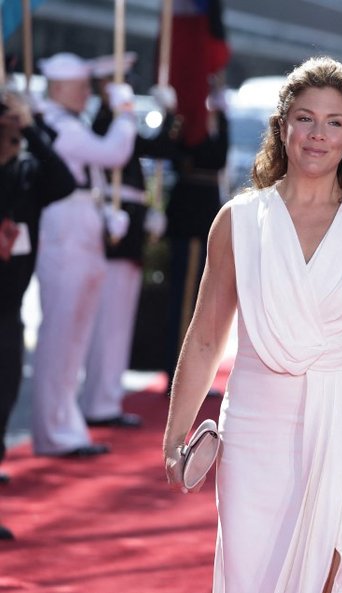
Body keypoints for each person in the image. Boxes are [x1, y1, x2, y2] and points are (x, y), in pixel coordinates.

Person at [161, 56, 342, 592]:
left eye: (334, 122)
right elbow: (207, 336)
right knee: (251, 575)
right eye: (305, 118)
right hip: (255, 422)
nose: (318, 134)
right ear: (282, 125)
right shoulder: (239, 220)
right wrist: (175, 435)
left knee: (328, 570)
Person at [30, 52, 137, 457]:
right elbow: (113, 153)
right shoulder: (58, 126)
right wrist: (126, 111)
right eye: (80, 87)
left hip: (80, 229)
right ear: (58, 90)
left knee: (73, 339)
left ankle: (65, 426)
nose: (87, 94)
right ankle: (53, 432)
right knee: (60, 337)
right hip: (64, 237)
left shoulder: (66, 122)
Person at [77, 53, 179, 428]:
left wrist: (169, 116)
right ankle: (98, 401)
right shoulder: (105, 120)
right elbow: (114, 156)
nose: (127, 88)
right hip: (114, 224)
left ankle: (105, 397)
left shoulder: (119, 120)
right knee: (108, 319)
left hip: (130, 221)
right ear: (105, 86)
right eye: (118, 82)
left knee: (118, 319)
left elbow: (156, 150)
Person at [0, 89, 77, 540]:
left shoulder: (29, 171)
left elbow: (64, 180)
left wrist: (30, 124)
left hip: (8, 309)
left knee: (4, 398)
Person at [162, 78, 229, 397]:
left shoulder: (208, 123)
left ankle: (191, 373)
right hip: (191, 217)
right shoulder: (190, 125)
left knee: (201, 302)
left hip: (201, 216)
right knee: (187, 299)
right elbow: (210, 156)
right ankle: (179, 373)